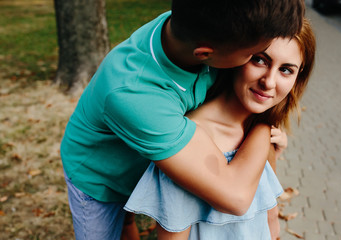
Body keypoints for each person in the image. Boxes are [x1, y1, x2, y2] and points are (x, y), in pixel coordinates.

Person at [60, 0, 305, 239]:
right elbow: (236, 197)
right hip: (102, 177)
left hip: (150, 144)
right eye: (254, 55)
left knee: (128, 219)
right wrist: (263, 124)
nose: (266, 77)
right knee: (116, 218)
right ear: (205, 54)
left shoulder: (203, 25)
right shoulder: (134, 94)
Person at [124, 18, 316, 240]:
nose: (269, 82)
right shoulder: (187, 143)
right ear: (238, 55)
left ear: (297, 77)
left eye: (285, 70)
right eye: (260, 60)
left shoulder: (261, 127)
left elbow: (269, 218)